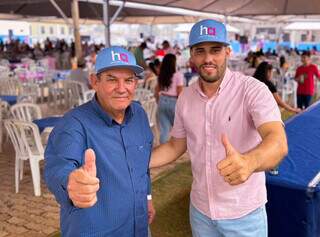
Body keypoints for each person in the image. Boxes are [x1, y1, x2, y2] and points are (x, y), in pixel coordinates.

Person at [150, 19, 288, 237]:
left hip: (244, 215)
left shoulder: (252, 90)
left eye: (215, 50)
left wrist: (249, 162)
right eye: (200, 51)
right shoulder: (185, 97)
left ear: (228, 51)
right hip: (200, 211)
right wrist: (138, 161)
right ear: (192, 55)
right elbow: (176, 145)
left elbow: (277, 142)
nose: (208, 58)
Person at [45, 46, 155, 237]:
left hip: (138, 226)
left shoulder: (139, 115)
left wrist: (147, 197)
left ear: (136, 83)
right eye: (112, 79)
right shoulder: (73, 124)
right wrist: (72, 184)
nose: (121, 89)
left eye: (128, 80)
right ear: (94, 81)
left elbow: (142, 166)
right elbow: (58, 168)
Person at [155, 53, 184, 144]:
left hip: (162, 100)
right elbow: (180, 93)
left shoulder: (161, 75)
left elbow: (156, 91)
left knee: (164, 130)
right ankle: (176, 149)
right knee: (179, 128)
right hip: (174, 102)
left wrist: (159, 101)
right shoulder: (178, 75)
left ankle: (163, 151)